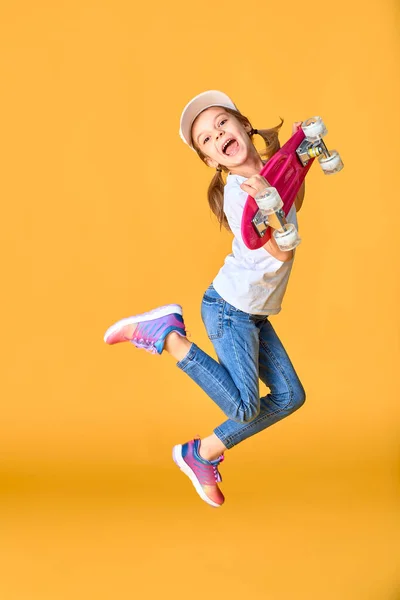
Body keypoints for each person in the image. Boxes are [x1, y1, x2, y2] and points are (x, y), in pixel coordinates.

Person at [104, 90, 306, 508]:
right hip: (229, 310)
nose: (217, 136)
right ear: (212, 161)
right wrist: (269, 198)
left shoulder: (269, 170)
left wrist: (298, 165)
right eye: (206, 140)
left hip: (253, 314)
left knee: (289, 396)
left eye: (221, 124)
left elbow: (293, 196)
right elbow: (280, 249)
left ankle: (200, 454)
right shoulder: (241, 194)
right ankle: (166, 336)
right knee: (246, 407)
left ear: (243, 125)